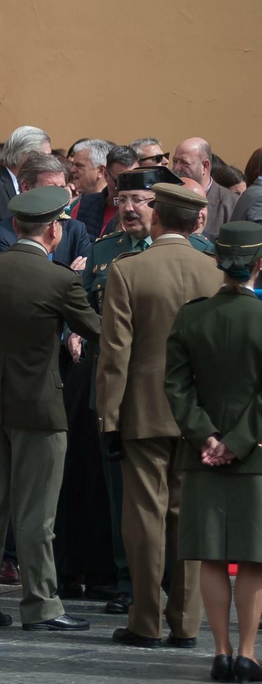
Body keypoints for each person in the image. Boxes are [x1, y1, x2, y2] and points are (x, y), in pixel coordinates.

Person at [0, 186, 100, 631]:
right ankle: (41, 605)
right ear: (54, 230)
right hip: (39, 408)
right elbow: (96, 329)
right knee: (37, 513)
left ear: (16, 225)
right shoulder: (60, 279)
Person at [96, 181, 223, 649]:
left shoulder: (129, 270)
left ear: (158, 216)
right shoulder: (215, 273)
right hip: (201, 415)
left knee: (144, 518)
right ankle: (186, 622)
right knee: (188, 517)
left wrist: (109, 416)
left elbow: (116, 353)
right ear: (195, 221)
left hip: (144, 409)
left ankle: (145, 619)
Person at [164, 222, 262, 683]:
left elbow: (177, 387)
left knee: (210, 556)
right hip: (255, 457)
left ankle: (220, 652)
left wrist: (206, 437)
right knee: (253, 557)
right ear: (259, 263)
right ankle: (247, 653)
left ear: (218, 261)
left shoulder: (191, 316)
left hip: (199, 455)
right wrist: (236, 442)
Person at [172, 137, 240, 231]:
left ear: (205, 166)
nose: (176, 168)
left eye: (184, 162)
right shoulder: (167, 197)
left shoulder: (231, 204)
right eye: (175, 161)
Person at [66, 139, 112, 237]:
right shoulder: (71, 203)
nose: (72, 170)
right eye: (73, 165)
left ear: (101, 171)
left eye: (79, 166)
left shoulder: (118, 205)